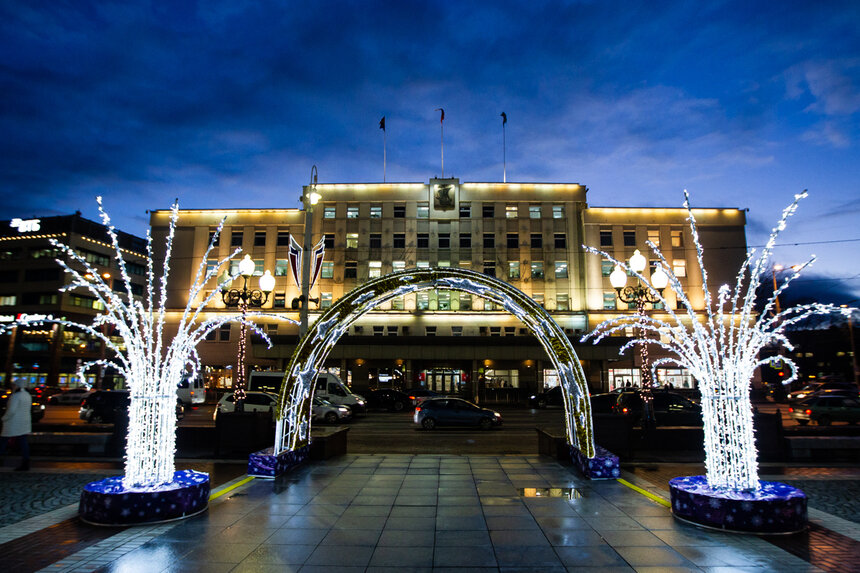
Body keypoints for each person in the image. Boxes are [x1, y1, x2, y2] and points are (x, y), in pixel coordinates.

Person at [1, 379, 32, 471]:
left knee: (3, 441)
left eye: (14, 385)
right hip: (24, 422)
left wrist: (3, 418)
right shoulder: (27, 395)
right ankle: (26, 462)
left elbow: (11, 411)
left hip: (13, 423)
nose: (13, 387)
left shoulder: (15, 396)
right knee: (23, 442)